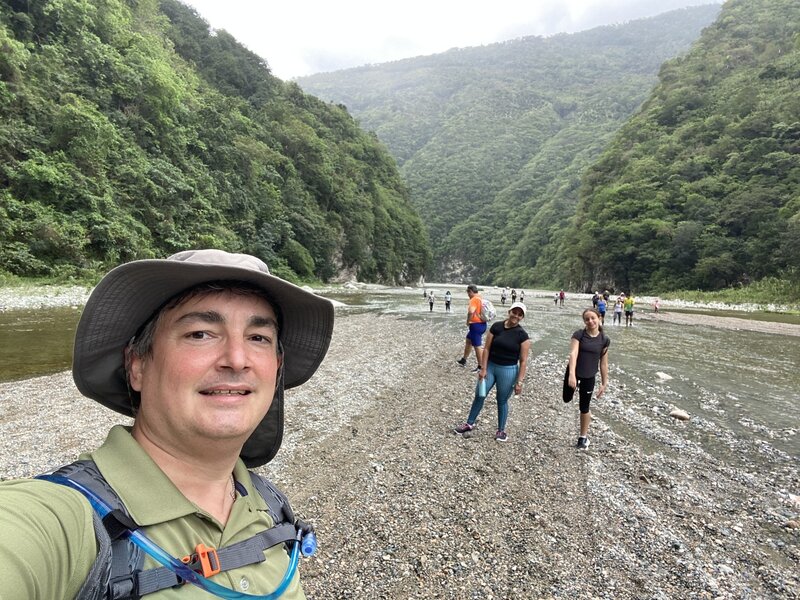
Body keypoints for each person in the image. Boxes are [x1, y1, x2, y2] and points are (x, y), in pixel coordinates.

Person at [0, 249, 334, 599]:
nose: (237, 359)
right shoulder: (63, 523)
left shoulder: (269, 504)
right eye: (200, 334)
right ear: (138, 365)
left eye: (258, 338)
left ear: (276, 366)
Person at [455, 302, 530, 442]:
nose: (516, 316)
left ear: (522, 317)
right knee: (480, 394)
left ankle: (501, 431)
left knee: (501, 400)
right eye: (515, 312)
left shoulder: (523, 336)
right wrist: (483, 368)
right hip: (490, 366)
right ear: (509, 311)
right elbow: (487, 348)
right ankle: (469, 423)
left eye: (520, 314)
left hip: (508, 371)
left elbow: (523, 361)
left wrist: (519, 382)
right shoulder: (496, 327)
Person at [563, 308, 610, 450]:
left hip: (589, 376)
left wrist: (604, 382)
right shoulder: (579, 335)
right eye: (587, 319)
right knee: (566, 398)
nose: (590, 321)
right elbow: (573, 353)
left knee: (584, 407)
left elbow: (603, 362)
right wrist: (572, 374)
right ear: (584, 321)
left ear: (599, 318)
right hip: (574, 372)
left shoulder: (604, 340)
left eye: (593, 318)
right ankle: (571, 388)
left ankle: (582, 438)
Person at [456, 284, 486, 371]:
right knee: (469, 340)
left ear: (471, 291)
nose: (468, 295)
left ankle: (480, 366)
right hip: (482, 324)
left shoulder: (474, 299)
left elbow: (471, 311)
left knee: (477, 346)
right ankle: (464, 360)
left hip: (476, 325)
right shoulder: (480, 297)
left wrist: (468, 321)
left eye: (468, 292)